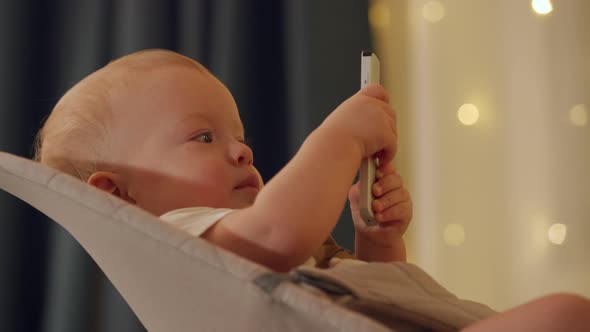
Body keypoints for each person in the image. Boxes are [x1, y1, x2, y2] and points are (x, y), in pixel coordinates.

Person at [34, 49, 590, 331]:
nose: (242, 151)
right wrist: (341, 136)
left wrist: (377, 242)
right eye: (204, 137)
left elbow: (371, 305)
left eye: (239, 135)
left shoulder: (270, 252)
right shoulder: (177, 242)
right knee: (563, 314)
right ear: (118, 195)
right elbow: (275, 234)